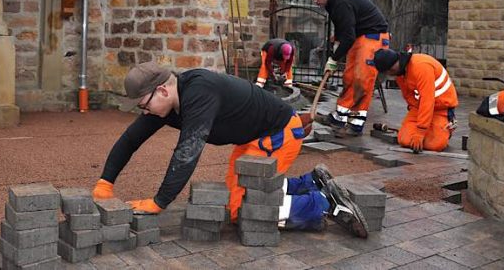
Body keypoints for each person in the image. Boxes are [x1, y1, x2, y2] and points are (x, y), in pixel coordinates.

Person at [91, 61, 368, 238]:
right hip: (255, 138)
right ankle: (310, 182)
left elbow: (187, 152)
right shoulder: (166, 104)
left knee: (246, 211)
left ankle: (323, 203)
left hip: (279, 133)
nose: (144, 112)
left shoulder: (198, 94)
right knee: (238, 202)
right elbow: (130, 140)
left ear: (162, 91)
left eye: (144, 105)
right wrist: (105, 182)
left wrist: (159, 201)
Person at [305, 0, 389, 135]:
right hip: (358, 36)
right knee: (349, 77)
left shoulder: (340, 2)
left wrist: (334, 59)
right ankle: (339, 117)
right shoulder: (331, 2)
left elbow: (348, 36)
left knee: (361, 78)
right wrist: (336, 43)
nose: (315, 1)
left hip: (373, 35)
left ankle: (356, 123)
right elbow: (343, 27)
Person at [373, 49, 458, 152]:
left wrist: (420, 131)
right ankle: (431, 129)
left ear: (396, 61)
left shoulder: (421, 67)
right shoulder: (399, 72)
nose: (390, 73)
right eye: (386, 71)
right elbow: (408, 95)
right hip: (420, 107)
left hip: (442, 108)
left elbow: (427, 100)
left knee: (435, 145)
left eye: (390, 70)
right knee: (404, 140)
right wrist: (416, 109)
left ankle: (446, 127)